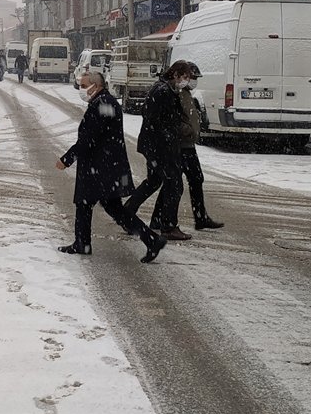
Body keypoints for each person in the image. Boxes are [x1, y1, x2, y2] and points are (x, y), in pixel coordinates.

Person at [56, 70, 167, 263]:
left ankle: (83, 243)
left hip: (100, 167)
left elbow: (89, 139)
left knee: (86, 203)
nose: (81, 89)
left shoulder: (103, 104)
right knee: (111, 208)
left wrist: (67, 158)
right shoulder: (105, 102)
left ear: (96, 85)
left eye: (84, 86)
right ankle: (150, 239)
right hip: (107, 166)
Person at [124, 60, 188, 237]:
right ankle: (168, 226)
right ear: (175, 74)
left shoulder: (165, 89)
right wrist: (168, 136)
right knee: (174, 184)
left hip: (155, 145)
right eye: (184, 77)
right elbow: (152, 117)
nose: (186, 81)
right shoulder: (163, 91)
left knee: (154, 181)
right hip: (159, 147)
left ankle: (129, 213)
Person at [176, 62, 223, 232]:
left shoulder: (186, 93)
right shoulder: (177, 94)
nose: (195, 81)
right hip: (181, 145)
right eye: (193, 77)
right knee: (176, 183)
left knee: (191, 180)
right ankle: (198, 217)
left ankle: (200, 217)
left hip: (187, 144)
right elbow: (174, 119)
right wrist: (187, 130)